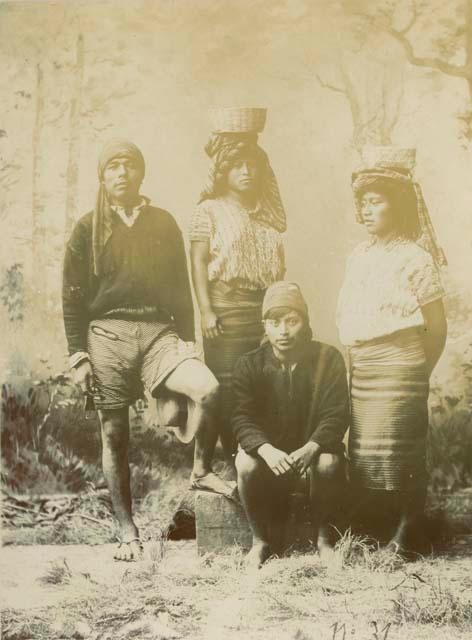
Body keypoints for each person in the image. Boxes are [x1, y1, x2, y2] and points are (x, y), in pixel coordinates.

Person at [62, 139, 233, 562]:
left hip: (159, 331)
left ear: (141, 173)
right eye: (113, 167)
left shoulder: (163, 222)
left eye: (130, 165)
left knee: (209, 390)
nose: (122, 173)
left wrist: (188, 340)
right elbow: (71, 295)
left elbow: (180, 287)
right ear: (103, 177)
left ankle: (201, 470)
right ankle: (126, 531)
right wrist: (78, 354)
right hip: (107, 333)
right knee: (114, 432)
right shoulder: (88, 227)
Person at [336, 146, 448, 555]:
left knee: (402, 452)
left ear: (396, 206)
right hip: (363, 367)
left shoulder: (415, 258)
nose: (367, 211)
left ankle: (407, 533)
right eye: (362, 203)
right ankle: (377, 528)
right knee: (367, 453)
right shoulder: (358, 256)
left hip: (402, 364)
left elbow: (436, 327)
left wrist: (417, 370)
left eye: (376, 202)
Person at [190, 108, 286, 470]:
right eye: (237, 165)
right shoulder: (209, 211)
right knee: (227, 388)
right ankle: (228, 464)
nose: (246, 172)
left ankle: (255, 463)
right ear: (223, 171)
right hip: (225, 311)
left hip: (263, 312)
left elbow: (278, 271)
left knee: (261, 386)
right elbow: (198, 263)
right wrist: (206, 310)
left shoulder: (268, 217)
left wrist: (274, 316)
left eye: (252, 165)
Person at [232, 281, 349, 568]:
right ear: (265, 326)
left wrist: (312, 447)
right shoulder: (250, 364)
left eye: (292, 321)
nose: (283, 331)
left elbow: (337, 412)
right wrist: (266, 450)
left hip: (313, 450)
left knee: (329, 463)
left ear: (305, 323)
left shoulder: (328, 358)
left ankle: (325, 541)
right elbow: (240, 416)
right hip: (271, 456)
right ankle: (260, 541)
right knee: (244, 464)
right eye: (274, 322)